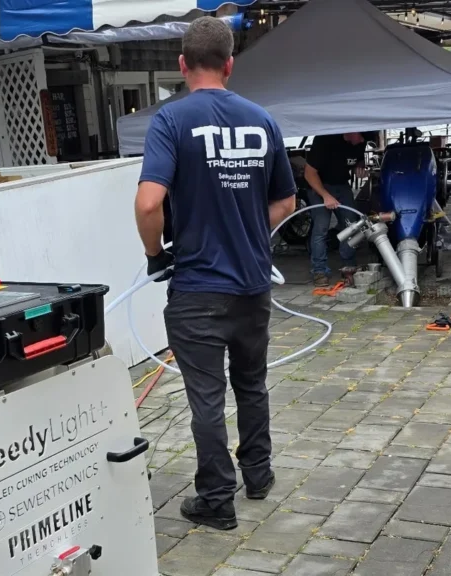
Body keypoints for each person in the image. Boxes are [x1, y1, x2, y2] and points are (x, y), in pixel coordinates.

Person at [134, 16, 297, 531]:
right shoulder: (262, 119)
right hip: (252, 286)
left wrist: (156, 253)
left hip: (198, 288)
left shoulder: (171, 121)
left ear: (182, 65)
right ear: (229, 65)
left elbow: (147, 203)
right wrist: (248, 234)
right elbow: (286, 200)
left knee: (206, 396)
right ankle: (259, 474)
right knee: (251, 383)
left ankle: (216, 500)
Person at [304, 132, 367, 287]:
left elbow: (358, 160)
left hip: (341, 185)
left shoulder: (360, 142)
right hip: (319, 185)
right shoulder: (324, 140)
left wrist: (360, 167)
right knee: (321, 227)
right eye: (361, 136)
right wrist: (325, 196)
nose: (363, 140)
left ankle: (349, 266)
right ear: (350, 131)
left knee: (352, 225)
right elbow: (309, 173)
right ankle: (319, 271)